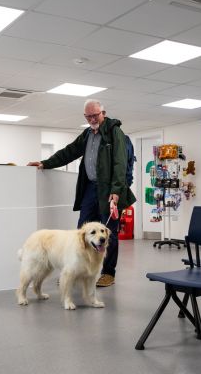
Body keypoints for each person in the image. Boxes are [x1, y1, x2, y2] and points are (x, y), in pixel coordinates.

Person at [28, 99, 136, 287]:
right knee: (82, 232)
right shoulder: (87, 134)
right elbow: (69, 152)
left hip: (109, 190)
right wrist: (45, 163)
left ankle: (108, 273)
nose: (92, 119)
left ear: (103, 112)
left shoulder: (114, 132)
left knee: (109, 232)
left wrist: (116, 191)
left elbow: (120, 162)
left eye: (96, 115)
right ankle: (79, 270)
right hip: (90, 189)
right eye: (89, 116)